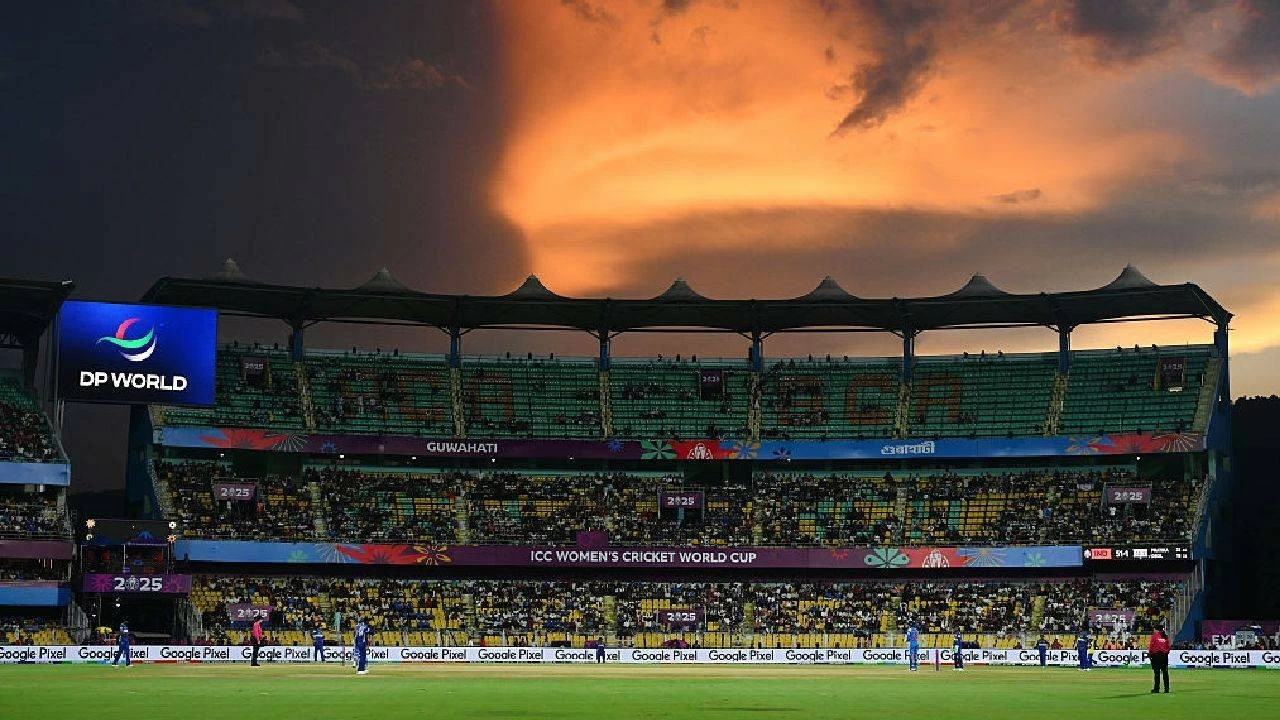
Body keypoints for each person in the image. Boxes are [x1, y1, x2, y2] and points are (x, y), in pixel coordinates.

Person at [1149, 628, 1171, 694]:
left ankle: (1156, 689)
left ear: (1157, 630)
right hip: (1164, 656)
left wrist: (1150, 654)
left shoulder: (1154, 636)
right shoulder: (1165, 636)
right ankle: (1166, 689)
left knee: (1157, 673)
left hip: (1156, 656)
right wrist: (1166, 652)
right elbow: (1168, 647)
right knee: (1165, 673)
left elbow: (1151, 646)